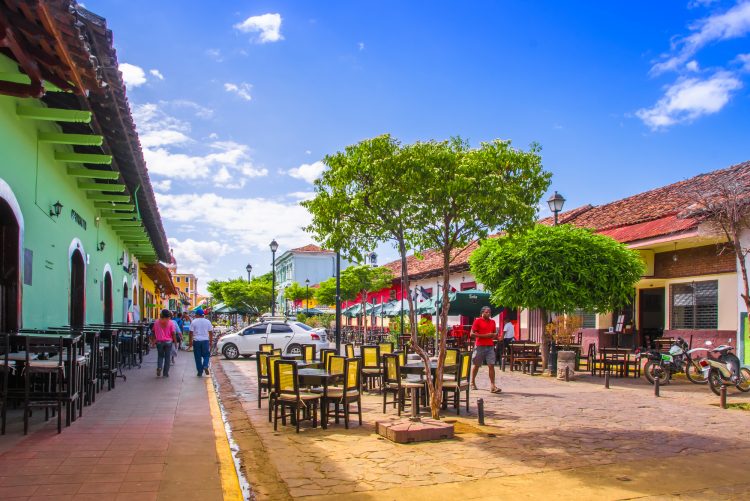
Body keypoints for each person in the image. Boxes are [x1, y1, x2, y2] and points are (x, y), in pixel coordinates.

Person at [470, 306, 500, 393]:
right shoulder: (477, 321)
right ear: (482, 313)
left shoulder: (493, 322)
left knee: (491, 365)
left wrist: (497, 336)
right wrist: (485, 336)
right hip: (479, 346)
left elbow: (493, 333)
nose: (488, 313)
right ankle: (472, 382)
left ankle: (493, 385)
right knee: (476, 365)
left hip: (490, 346)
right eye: (486, 312)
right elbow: (471, 334)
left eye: (489, 312)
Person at [153, 309, 177, 378]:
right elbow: (173, 333)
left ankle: (159, 367)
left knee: (160, 356)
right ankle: (165, 373)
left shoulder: (156, 322)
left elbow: (154, 332)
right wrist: (175, 342)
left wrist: (153, 341)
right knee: (167, 357)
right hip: (168, 342)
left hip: (159, 342)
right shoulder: (171, 322)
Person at [190, 308, 214, 377]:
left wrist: (190, 342)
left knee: (198, 357)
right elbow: (211, 332)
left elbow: (190, 333)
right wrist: (210, 341)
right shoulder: (207, 321)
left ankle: (200, 372)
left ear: (197, 314)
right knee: (206, 355)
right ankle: (205, 365)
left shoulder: (194, 321)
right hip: (205, 341)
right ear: (203, 315)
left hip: (196, 341)